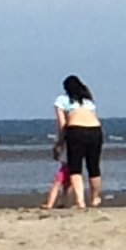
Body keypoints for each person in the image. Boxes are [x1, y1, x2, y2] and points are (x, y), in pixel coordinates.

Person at [43, 75, 104, 213]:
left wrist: (59, 142)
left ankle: (80, 201)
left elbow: (62, 124)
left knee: (75, 168)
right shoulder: (88, 102)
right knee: (93, 166)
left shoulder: (62, 100)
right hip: (95, 130)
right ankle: (95, 198)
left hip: (76, 130)